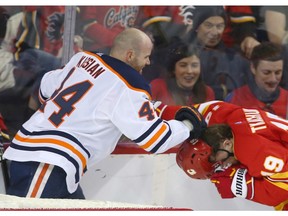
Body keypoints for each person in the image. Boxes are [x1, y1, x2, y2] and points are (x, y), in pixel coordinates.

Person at [3, 28, 206, 199]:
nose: (148, 63)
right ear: (130, 55)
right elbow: (155, 139)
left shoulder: (82, 59)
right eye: (146, 56)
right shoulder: (130, 84)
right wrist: (187, 125)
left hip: (44, 158)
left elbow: (44, 88)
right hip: (48, 163)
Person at [159, 100, 288, 210]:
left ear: (226, 143)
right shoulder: (219, 117)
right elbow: (196, 112)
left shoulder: (255, 152)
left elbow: (283, 189)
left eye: (217, 161)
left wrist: (239, 184)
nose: (224, 166)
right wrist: (159, 111)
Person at [184, 6, 250, 100]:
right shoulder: (181, 54)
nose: (215, 32)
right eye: (208, 25)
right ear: (196, 26)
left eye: (219, 26)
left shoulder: (234, 57)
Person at [225, 41, 288, 119]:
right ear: (253, 68)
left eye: (278, 72)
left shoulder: (287, 99)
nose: (273, 79)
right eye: (266, 72)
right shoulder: (234, 99)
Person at [150, 39, 215, 106]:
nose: (189, 71)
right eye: (183, 65)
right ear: (173, 69)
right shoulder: (157, 86)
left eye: (194, 65)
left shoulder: (207, 92)